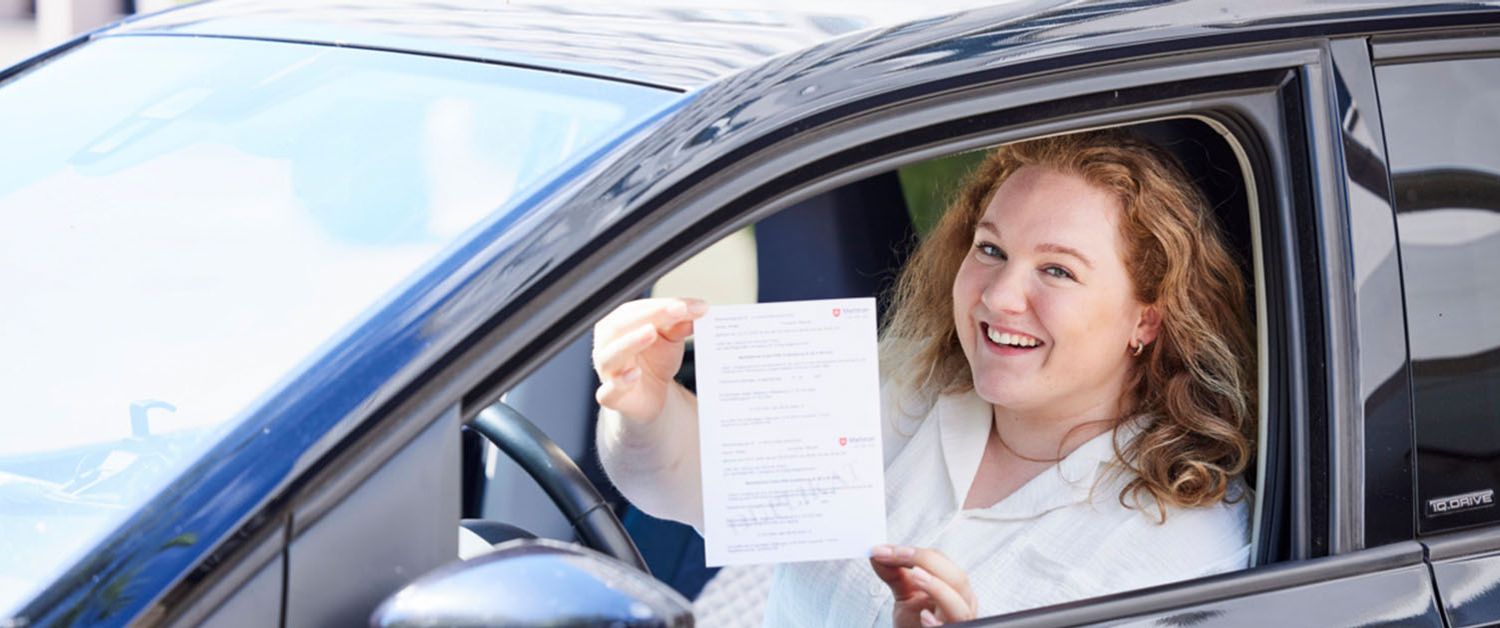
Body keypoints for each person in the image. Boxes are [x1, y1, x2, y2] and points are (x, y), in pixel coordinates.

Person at [592, 128, 1255, 627]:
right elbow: (691, 485)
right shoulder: (899, 382)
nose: (999, 297)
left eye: (1057, 271)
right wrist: (645, 406)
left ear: (1148, 319)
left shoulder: (1185, 542)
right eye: (990, 249)